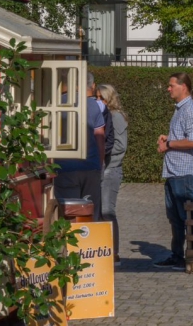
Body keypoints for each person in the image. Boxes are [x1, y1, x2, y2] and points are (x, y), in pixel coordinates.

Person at [154, 72, 193, 269]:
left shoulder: (189, 110)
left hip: (184, 171)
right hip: (175, 170)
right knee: (175, 217)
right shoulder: (181, 109)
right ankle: (177, 255)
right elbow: (185, 136)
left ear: (183, 87)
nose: (168, 89)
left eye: (171, 85)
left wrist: (169, 144)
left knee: (186, 217)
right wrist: (169, 139)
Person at [54, 72, 106, 222]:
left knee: (69, 213)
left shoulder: (56, 103)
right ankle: (90, 243)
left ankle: (69, 245)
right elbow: (99, 137)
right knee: (90, 213)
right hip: (90, 166)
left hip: (65, 167)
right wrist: (99, 164)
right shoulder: (92, 104)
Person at [96, 84, 128, 263]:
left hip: (111, 168)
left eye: (102, 98)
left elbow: (120, 145)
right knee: (101, 211)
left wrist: (102, 153)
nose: (99, 101)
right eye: (97, 98)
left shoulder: (116, 116)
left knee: (108, 211)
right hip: (104, 167)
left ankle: (114, 251)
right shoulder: (103, 115)